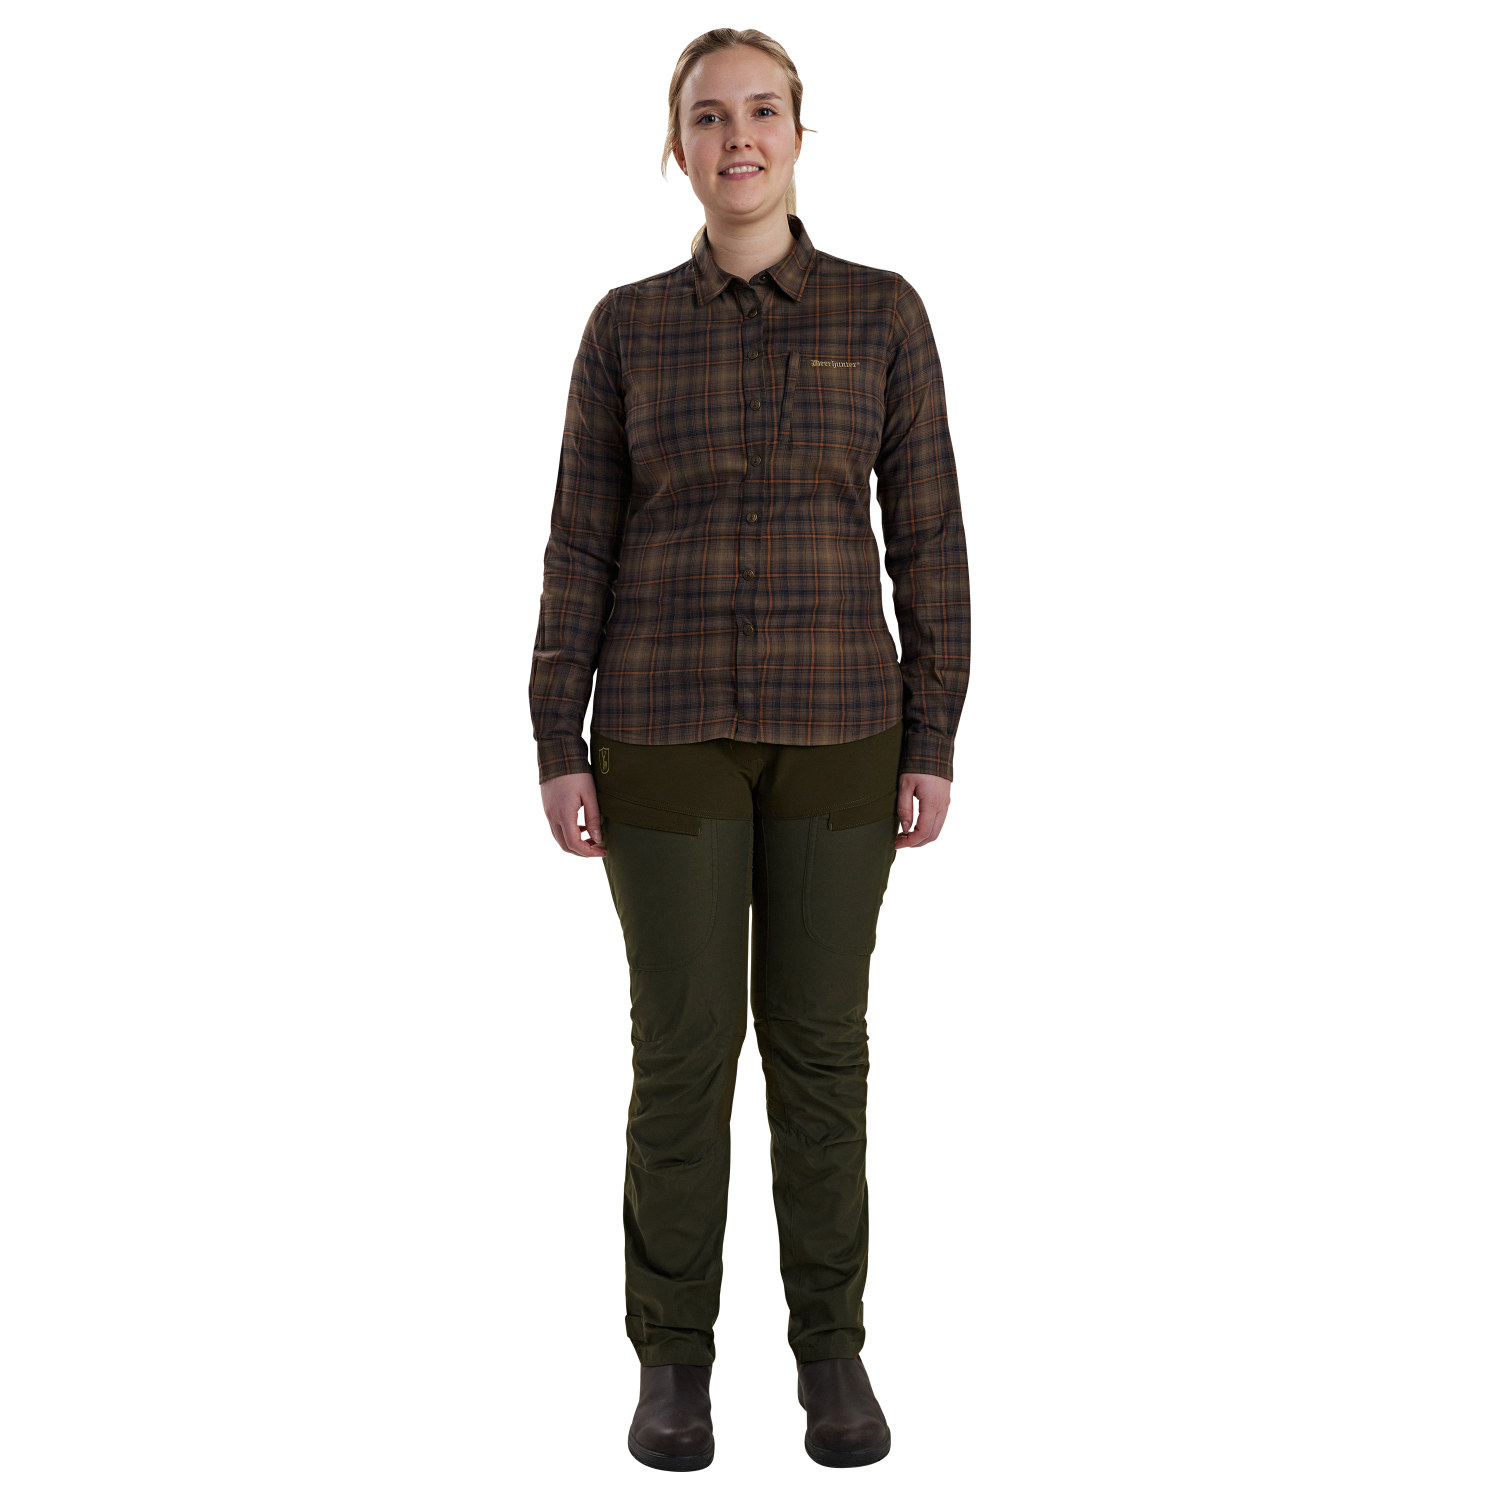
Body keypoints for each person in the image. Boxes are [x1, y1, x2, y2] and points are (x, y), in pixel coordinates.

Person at [530, 27, 970, 1472]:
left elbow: (929, 535)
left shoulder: (881, 314)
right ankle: (673, 1362)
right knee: (681, 1054)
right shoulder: (625, 329)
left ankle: (831, 1350)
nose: (738, 138)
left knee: (821, 1053)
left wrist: (935, 730)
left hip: (843, 729)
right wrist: (556, 734)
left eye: (762, 111)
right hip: (660, 736)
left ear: (798, 133)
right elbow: (580, 541)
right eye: (710, 117)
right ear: (678, 147)